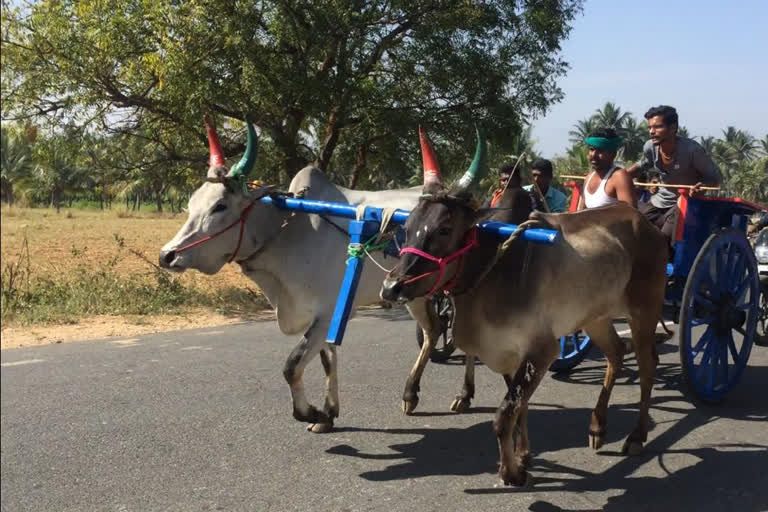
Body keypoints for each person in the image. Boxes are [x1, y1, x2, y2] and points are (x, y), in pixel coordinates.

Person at [625, 105, 722, 241]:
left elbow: (715, 180)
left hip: (685, 203)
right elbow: (642, 165)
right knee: (631, 230)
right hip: (658, 202)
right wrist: (620, 175)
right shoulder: (650, 147)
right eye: (650, 127)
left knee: (662, 240)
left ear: (673, 128)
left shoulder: (692, 150)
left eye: (657, 127)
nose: (652, 132)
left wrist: (701, 188)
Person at [577, 128, 636, 210]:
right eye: (592, 149)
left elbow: (631, 215)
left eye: (600, 151)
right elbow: (581, 213)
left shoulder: (620, 177)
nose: (594, 155)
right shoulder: (588, 178)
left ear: (613, 154)